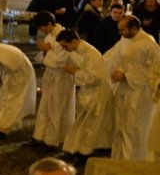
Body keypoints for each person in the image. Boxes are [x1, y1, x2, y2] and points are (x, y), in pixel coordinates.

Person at [105, 14, 160, 160]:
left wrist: (126, 75)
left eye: (123, 30)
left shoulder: (149, 44)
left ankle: (135, 159)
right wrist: (116, 71)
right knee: (120, 125)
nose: (120, 33)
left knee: (135, 127)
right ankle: (120, 157)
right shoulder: (125, 39)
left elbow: (153, 72)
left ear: (134, 28)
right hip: (124, 89)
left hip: (140, 92)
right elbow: (116, 57)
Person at [56, 29, 113, 160]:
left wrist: (75, 72)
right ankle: (76, 150)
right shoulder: (76, 51)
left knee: (90, 127)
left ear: (74, 41)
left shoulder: (90, 53)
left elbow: (96, 78)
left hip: (97, 93)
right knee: (83, 124)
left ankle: (84, 154)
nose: (65, 49)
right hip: (87, 92)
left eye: (66, 46)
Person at [31, 13, 75, 148]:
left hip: (61, 76)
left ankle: (52, 140)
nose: (41, 31)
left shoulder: (63, 35)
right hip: (50, 75)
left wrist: (46, 51)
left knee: (56, 108)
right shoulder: (50, 35)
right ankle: (40, 135)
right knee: (45, 106)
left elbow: (63, 60)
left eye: (41, 28)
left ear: (49, 24)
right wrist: (45, 51)